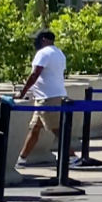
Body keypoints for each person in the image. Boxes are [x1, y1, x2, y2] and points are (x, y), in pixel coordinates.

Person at [13, 29, 67, 170]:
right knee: (35, 128)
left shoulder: (43, 53)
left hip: (47, 98)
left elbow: (35, 74)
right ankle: (22, 159)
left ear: (43, 39)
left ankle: (72, 157)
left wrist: (23, 92)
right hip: (50, 95)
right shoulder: (59, 53)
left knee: (57, 130)